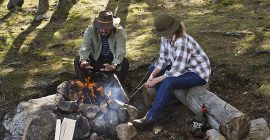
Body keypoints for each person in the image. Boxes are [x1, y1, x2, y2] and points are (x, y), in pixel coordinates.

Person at [132, 14, 211, 129]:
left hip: (197, 73)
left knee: (167, 82)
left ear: (173, 29)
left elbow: (176, 71)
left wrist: (155, 81)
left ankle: (150, 118)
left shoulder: (181, 42)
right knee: (151, 69)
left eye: (165, 33)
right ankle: (166, 106)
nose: (163, 36)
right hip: (182, 69)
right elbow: (163, 60)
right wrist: (152, 76)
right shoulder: (165, 37)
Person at [74, 10, 129, 82]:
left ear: (112, 26)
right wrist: (84, 60)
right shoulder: (90, 30)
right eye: (101, 27)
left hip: (111, 61)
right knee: (78, 59)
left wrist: (113, 65)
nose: (103, 30)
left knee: (124, 62)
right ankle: (86, 84)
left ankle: (116, 86)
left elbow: (121, 50)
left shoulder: (120, 32)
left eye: (107, 27)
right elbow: (85, 46)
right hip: (94, 60)